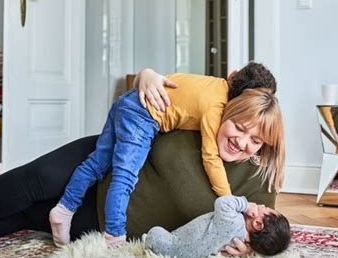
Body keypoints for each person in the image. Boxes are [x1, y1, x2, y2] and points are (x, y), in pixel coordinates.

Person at [49, 62, 284, 247]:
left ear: (233, 76)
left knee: (96, 163)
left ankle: (64, 209)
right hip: (143, 115)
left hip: (129, 101)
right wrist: (228, 199)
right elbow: (210, 157)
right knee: (124, 178)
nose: (245, 139)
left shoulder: (213, 84)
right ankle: (114, 237)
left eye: (254, 138)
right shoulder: (217, 108)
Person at [145, 195, 290, 258]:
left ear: (257, 224)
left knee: (155, 233)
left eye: (266, 208)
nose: (262, 205)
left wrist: (245, 205)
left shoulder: (234, 220)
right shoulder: (241, 241)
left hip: (173, 246)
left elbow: (222, 202)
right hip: (187, 257)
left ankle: (150, 243)